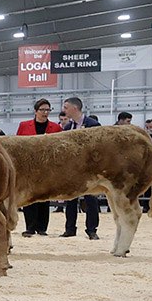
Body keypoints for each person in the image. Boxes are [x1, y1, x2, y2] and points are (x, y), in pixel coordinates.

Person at [16, 98, 62, 236]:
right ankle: (30, 227)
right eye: (42, 110)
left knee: (44, 197)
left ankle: (42, 228)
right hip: (28, 168)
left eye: (48, 110)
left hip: (47, 168)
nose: (45, 112)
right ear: (36, 111)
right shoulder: (24, 125)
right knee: (28, 198)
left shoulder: (56, 127)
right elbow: (18, 145)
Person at [59, 96, 101, 239]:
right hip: (72, 169)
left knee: (91, 199)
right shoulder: (67, 127)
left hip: (89, 169)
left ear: (74, 108)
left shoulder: (93, 125)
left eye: (65, 107)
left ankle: (92, 229)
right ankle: (70, 228)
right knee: (70, 199)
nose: (63, 110)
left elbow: (98, 147)